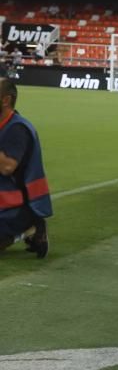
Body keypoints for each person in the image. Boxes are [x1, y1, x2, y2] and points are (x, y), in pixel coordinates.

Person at [0, 78, 51, 258]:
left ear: (6, 100)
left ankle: (30, 228)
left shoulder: (17, 129)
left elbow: (7, 167)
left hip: (19, 206)